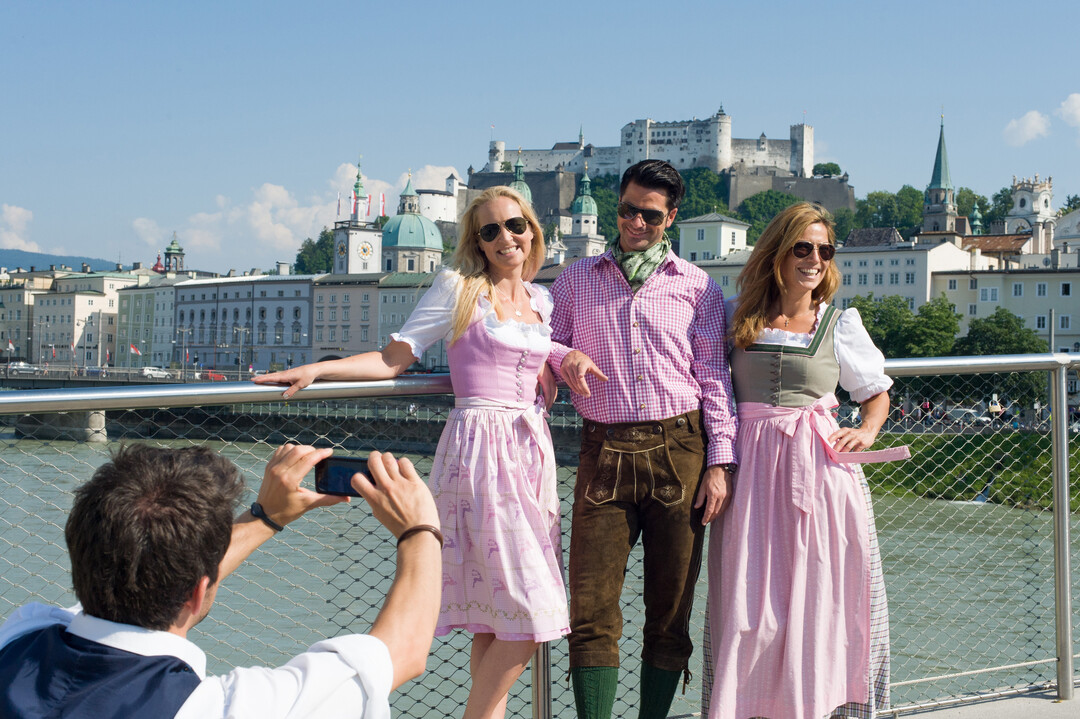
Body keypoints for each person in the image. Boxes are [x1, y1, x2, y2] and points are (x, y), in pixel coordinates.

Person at [256, 186, 565, 719]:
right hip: (480, 455)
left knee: (498, 618)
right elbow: (391, 359)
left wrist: (554, 367)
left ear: (531, 229)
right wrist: (319, 369)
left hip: (531, 453)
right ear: (477, 241)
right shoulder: (459, 287)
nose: (505, 238)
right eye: (489, 231)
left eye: (514, 225)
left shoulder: (542, 300)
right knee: (533, 612)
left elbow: (532, 358)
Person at [0, 442, 442, 718]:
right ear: (198, 591)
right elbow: (401, 653)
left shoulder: (21, 635)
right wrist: (419, 529)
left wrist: (266, 517)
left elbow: (143, 574)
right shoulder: (214, 708)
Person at [701, 202, 909, 719]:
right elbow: (707, 384)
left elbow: (876, 392)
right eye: (803, 247)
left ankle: (814, 706)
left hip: (819, 474)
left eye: (824, 250)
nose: (815, 259)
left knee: (820, 594)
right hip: (748, 470)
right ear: (777, 251)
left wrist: (867, 429)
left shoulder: (839, 322)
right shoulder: (733, 313)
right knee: (750, 600)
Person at [548, 159, 738, 719]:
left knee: (671, 607)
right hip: (602, 447)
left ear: (671, 217)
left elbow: (713, 376)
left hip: (681, 449)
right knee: (591, 608)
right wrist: (563, 356)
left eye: (650, 215)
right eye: (629, 210)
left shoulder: (697, 286)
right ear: (618, 207)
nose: (636, 223)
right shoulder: (575, 279)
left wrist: (720, 461)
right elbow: (544, 349)